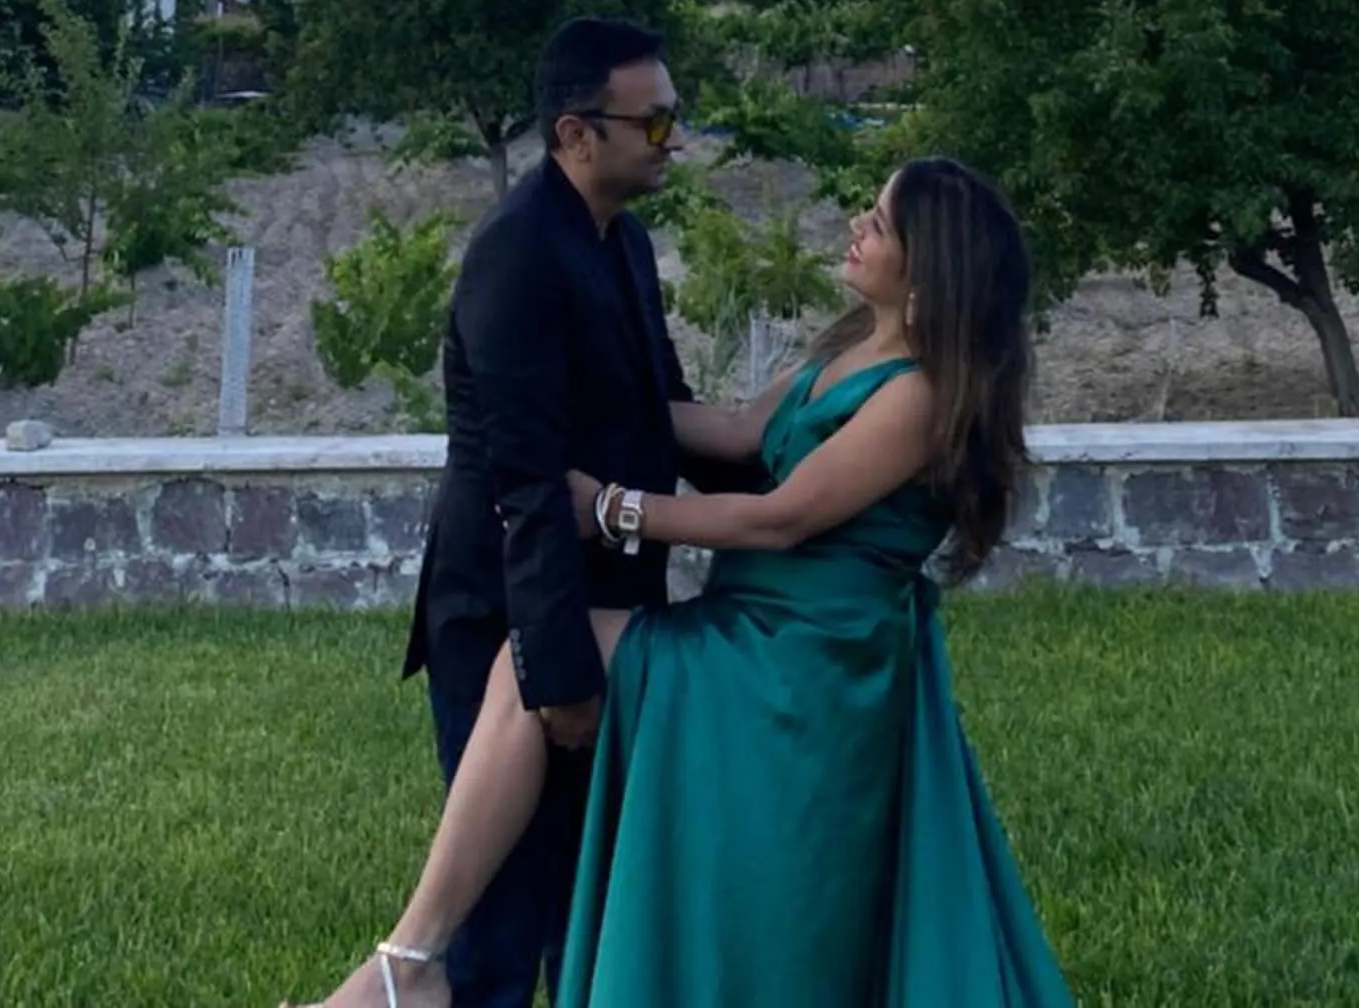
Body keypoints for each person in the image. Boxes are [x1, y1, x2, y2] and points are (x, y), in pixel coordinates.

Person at [288, 156, 1072, 1008]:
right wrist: (545, 394)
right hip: (758, 630)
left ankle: (412, 965)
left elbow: (781, 517)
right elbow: (734, 434)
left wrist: (615, 508)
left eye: (880, 223)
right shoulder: (855, 346)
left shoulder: (920, 395)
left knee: (540, 659)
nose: (856, 223)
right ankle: (415, 964)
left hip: (804, 666)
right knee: (538, 664)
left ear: (932, 265)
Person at [390, 19, 698, 1008]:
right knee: (498, 926)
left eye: (673, 120)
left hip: (605, 611)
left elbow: (668, 413)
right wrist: (554, 672)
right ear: (576, 133)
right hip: (509, 623)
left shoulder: (626, 241)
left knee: (588, 901)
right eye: (652, 125)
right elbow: (524, 487)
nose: (673, 142)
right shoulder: (518, 255)